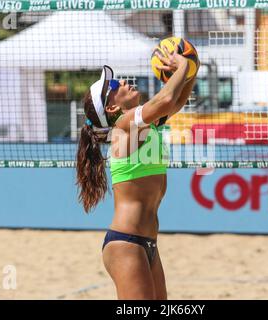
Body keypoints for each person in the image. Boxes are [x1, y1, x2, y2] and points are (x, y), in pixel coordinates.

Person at [76, 45, 198, 299]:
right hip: (126, 244)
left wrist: (191, 66)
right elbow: (164, 99)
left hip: (147, 243)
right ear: (111, 109)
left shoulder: (142, 125)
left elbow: (174, 102)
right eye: (113, 88)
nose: (121, 82)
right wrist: (183, 65)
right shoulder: (124, 126)